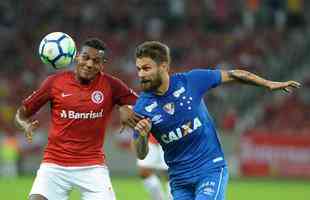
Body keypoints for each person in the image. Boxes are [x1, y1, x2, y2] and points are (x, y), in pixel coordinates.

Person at [130, 41, 301, 200]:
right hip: (179, 180)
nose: (141, 74)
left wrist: (268, 84)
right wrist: (143, 137)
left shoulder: (191, 81)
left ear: (163, 66)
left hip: (209, 169)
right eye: (138, 69)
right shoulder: (142, 107)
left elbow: (234, 75)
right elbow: (141, 153)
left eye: (146, 68)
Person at [14, 38, 140, 200]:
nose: (89, 64)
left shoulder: (112, 85)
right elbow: (21, 114)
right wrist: (24, 124)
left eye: (96, 61)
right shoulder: (54, 83)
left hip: (92, 166)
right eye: (85, 57)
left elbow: (142, 104)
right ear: (77, 57)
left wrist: (126, 107)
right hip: (54, 164)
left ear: (102, 64)